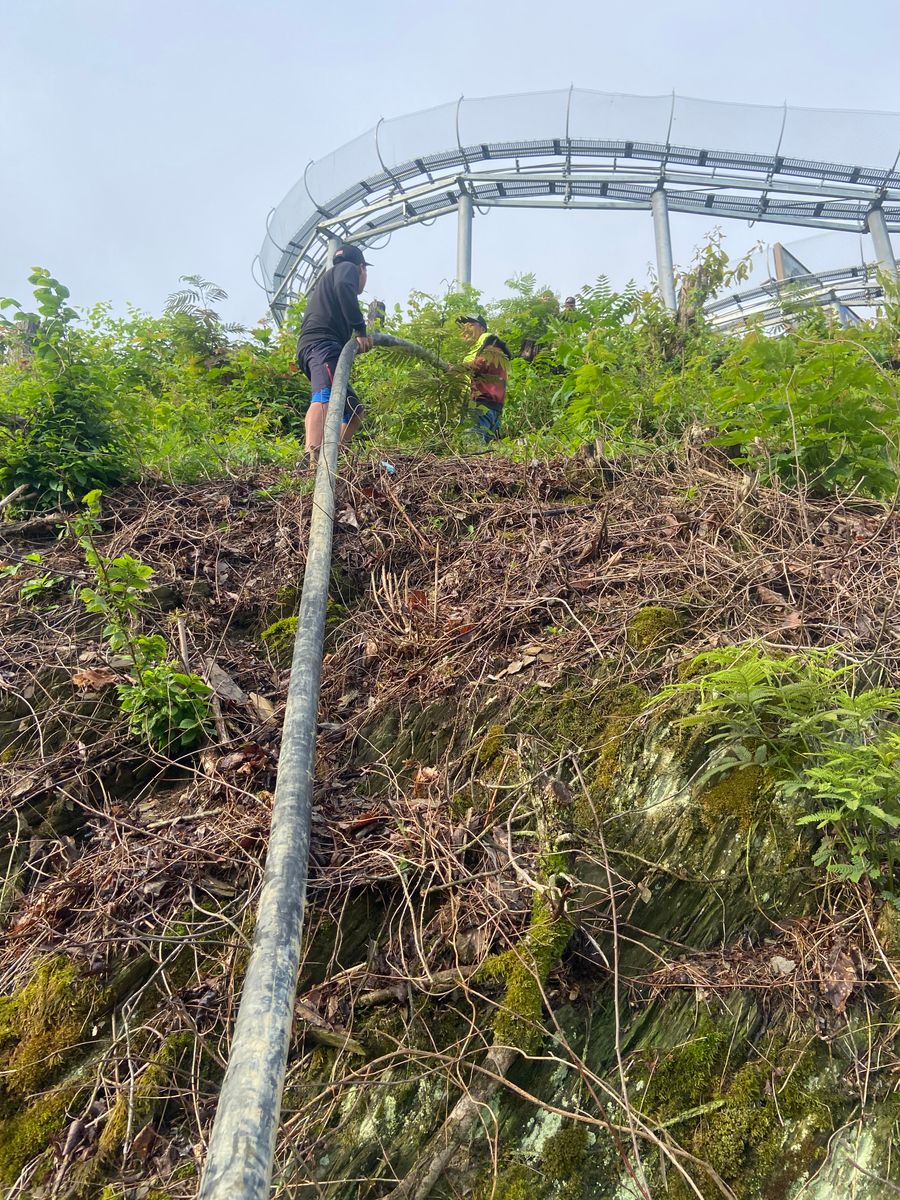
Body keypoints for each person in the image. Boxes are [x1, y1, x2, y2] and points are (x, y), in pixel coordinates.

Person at [297, 244, 373, 464]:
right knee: (325, 395)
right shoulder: (347, 268)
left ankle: (332, 458)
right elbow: (343, 286)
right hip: (321, 345)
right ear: (361, 268)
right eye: (365, 272)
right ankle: (311, 458)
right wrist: (360, 329)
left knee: (354, 411)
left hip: (322, 348)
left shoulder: (331, 281)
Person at [457, 314, 511, 443]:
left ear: (482, 329)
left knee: (471, 447)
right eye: (464, 326)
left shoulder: (492, 345)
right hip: (491, 408)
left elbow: (481, 364)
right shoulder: (483, 348)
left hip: (482, 407)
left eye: (471, 325)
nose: (466, 329)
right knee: (480, 450)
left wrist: (457, 368)